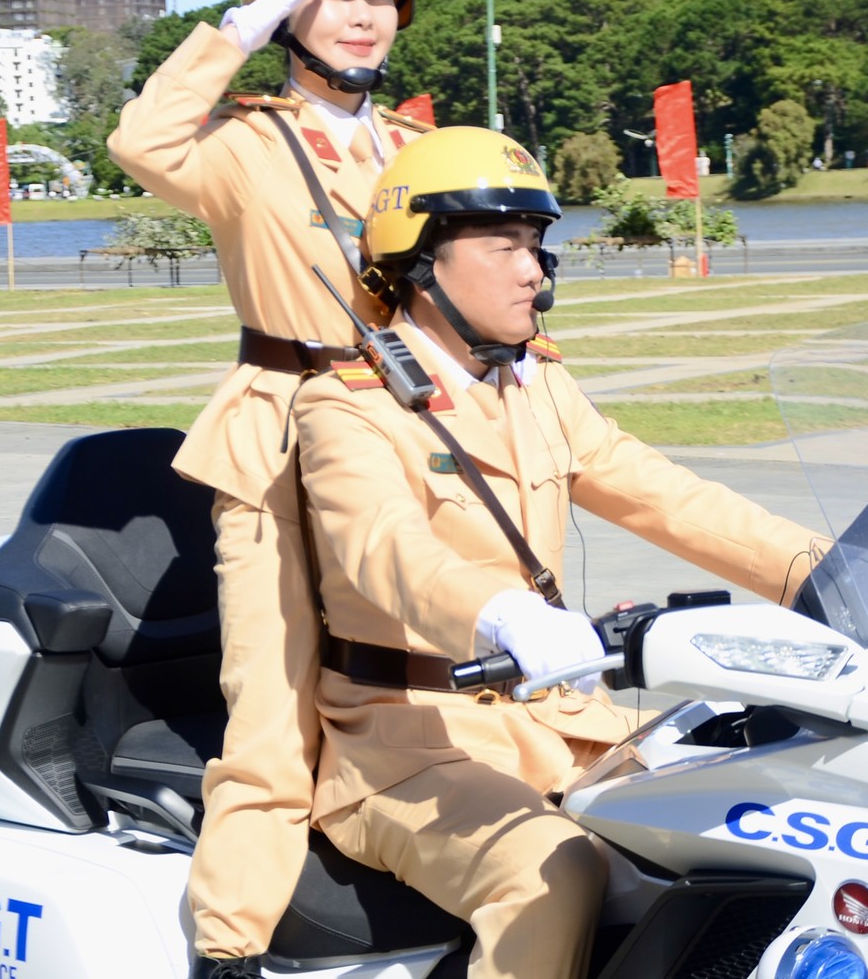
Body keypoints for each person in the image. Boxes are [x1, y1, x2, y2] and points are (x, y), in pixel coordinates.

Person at [291, 127, 833, 979]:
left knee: (772, 801)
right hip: (406, 746)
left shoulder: (534, 381)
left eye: (538, 244)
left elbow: (661, 492)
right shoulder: (346, 405)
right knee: (552, 872)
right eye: (503, 244)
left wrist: (829, 570)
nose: (532, 269)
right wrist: (503, 616)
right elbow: (380, 549)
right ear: (423, 260)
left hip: (558, 723)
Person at [106, 0, 428, 978]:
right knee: (272, 697)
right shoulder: (245, 145)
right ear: (283, 7)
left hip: (410, 437)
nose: (360, 14)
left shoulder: (418, 146)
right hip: (282, 434)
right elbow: (141, 142)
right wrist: (231, 34)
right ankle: (233, 946)